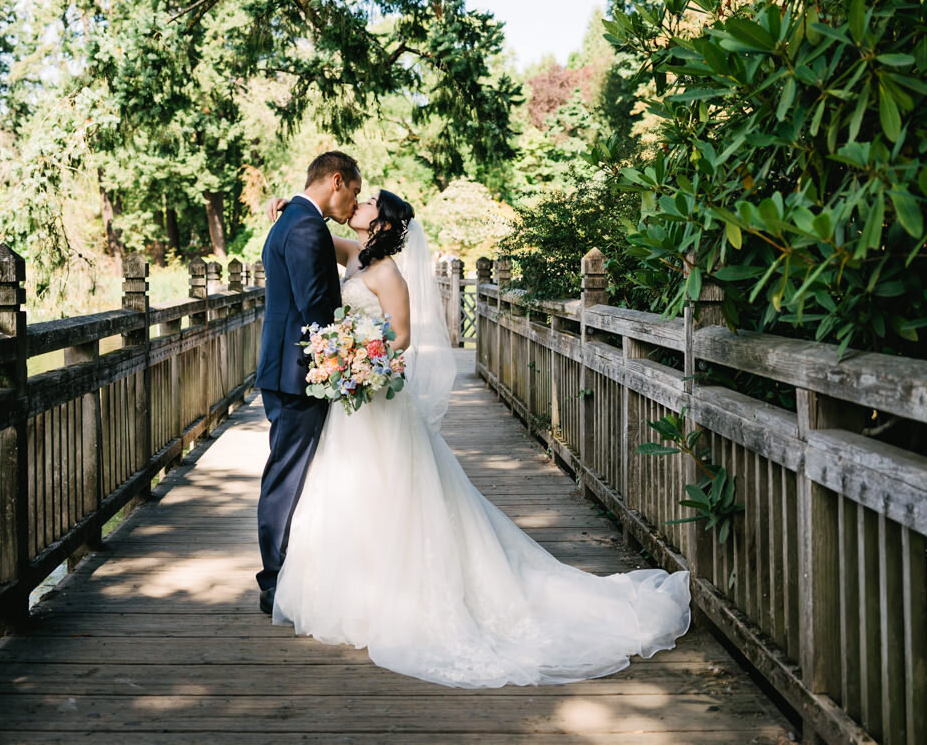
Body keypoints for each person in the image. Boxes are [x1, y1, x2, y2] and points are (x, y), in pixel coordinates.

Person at [263, 187, 693, 687]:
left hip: (374, 391)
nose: (357, 206)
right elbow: (310, 235)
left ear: (381, 223)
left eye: (368, 203)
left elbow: (402, 335)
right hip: (353, 400)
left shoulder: (387, 273)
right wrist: (284, 210)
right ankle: (355, 589)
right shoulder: (355, 256)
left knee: (395, 492)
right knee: (349, 488)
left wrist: (365, 360)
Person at [254, 150, 362, 616]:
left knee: (292, 472)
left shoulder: (292, 219)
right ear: (336, 180)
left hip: (285, 369)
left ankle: (291, 570)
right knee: (287, 476)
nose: (353, 205)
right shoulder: (304, 226)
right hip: (299, 374)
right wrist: (347, 358)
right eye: (353, 192)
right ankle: (274, 579)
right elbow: (316, 304)